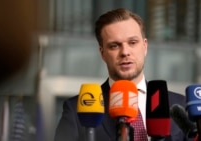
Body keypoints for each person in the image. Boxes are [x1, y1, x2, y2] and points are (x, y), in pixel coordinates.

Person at [54, 8, 190, 141]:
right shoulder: (76, 110)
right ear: (102, 53)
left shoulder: (180, 105)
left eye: (132, 42)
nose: (125, 52)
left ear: (145, 46)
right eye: (114, 46)